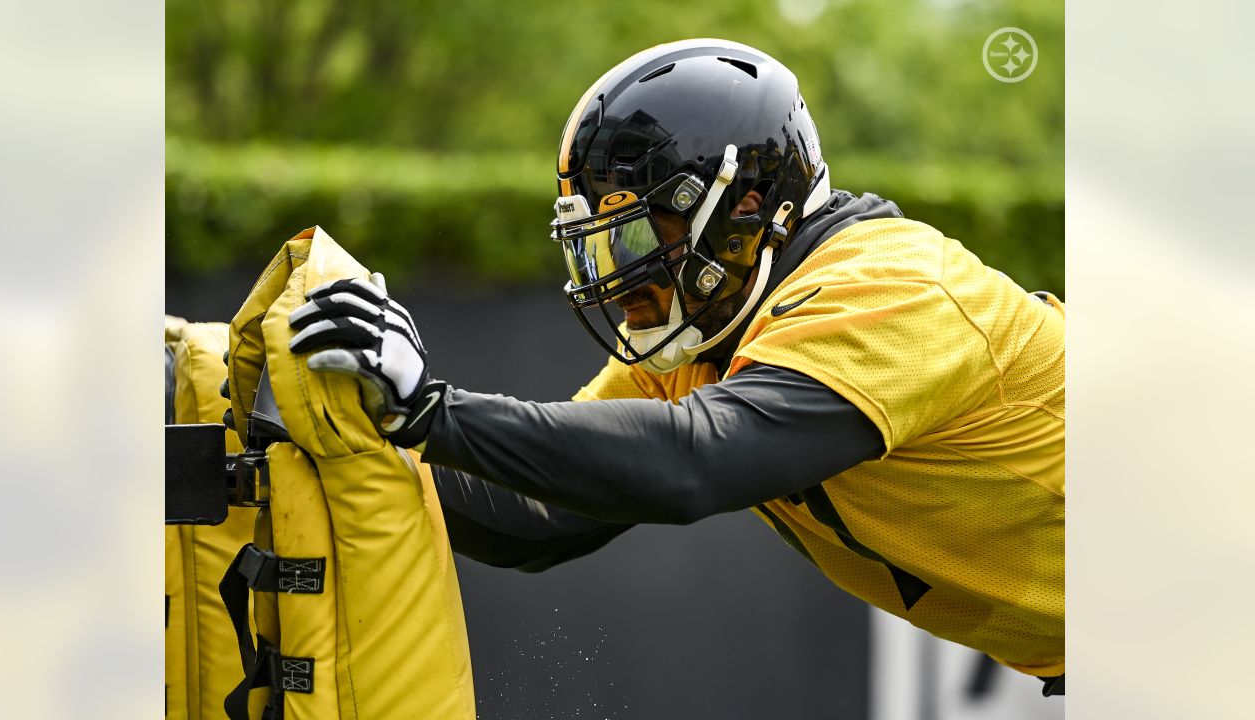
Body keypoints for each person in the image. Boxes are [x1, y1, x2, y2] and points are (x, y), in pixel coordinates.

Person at [285, 39, 1065, 696]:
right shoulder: (709, 332)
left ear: (745, 213)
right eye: (596, 241)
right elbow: (539, 514)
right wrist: (369, 432)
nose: (617, 275)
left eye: (634, 236)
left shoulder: (895, 289)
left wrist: (433, 409)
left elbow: (691, 463)